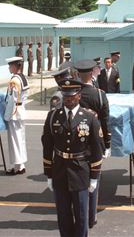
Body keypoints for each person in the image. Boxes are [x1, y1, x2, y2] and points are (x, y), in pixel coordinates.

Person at [42, 79, 104, 237]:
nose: (68, 99)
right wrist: (49, 174)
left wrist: (94, 177)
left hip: (81, 171)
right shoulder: (53, 117)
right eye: (65, 95)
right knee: (63, 216)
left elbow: (97, 149)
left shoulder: (90, 118)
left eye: (72, 95)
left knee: (82, 216)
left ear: (79, 96)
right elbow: (47, 147)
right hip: (60, 170)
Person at [74, 59, 111, 229]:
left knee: (79, 181)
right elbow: (105, 121)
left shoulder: (73, 94)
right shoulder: (99, 94)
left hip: (77, 143)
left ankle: (80, 215)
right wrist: (108, 143)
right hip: (96, 141)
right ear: (91, 74)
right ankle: (91, 216)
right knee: (94, 179)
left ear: (78, 75)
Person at [4, 57, 29, 175]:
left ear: (15, 66)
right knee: (21, 139)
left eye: (10, 66)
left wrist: (6, 116)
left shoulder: (14, 80)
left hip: (14, 112)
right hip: (21, 110)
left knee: (15, 140)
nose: (9, 68)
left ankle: (16, 167)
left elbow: (11, 100)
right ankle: (21, 164)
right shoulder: (23, 77)